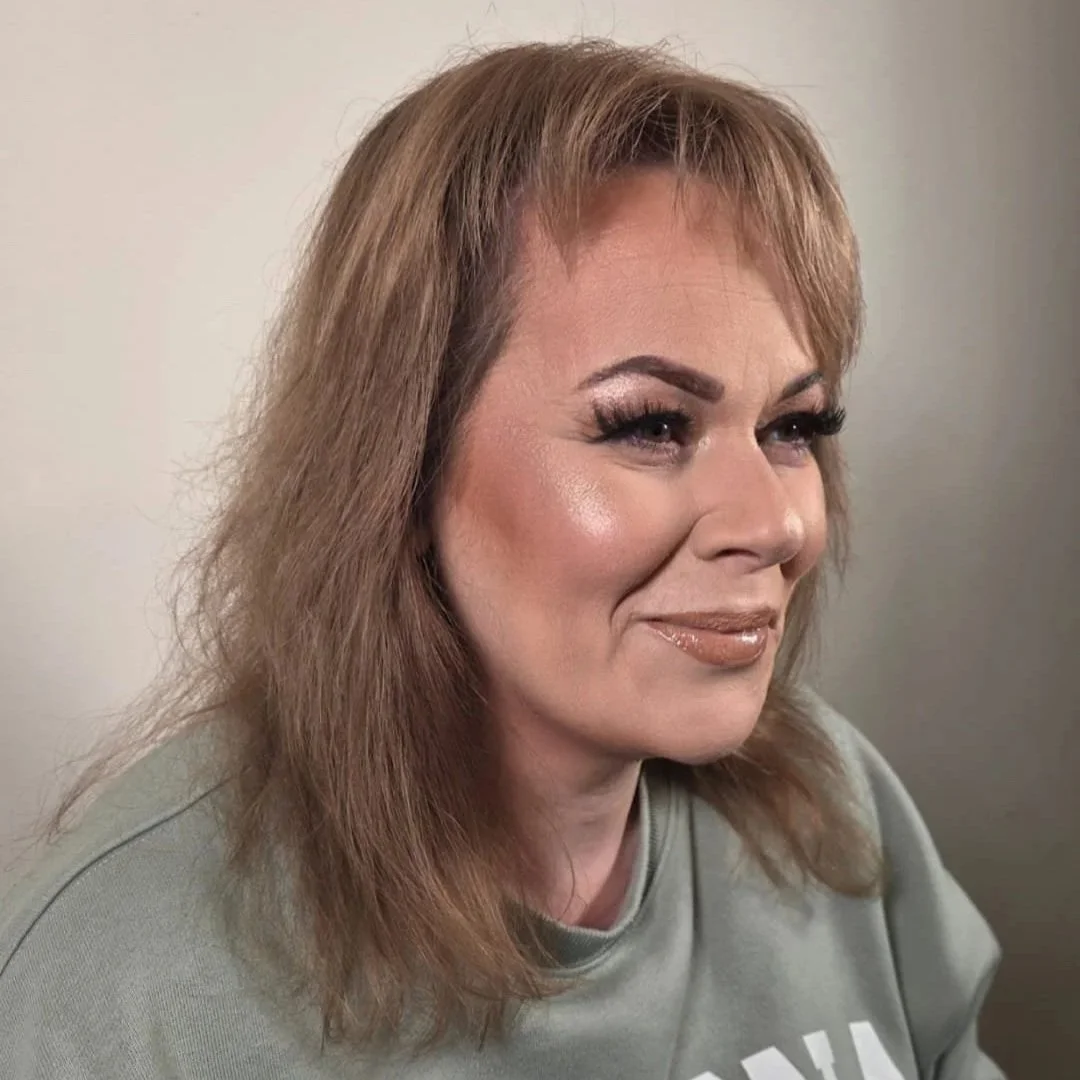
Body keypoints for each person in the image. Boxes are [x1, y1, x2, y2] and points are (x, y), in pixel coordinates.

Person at [0, 40, 1004, 1080]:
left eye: (795, 426)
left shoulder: (833, 803)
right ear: (400, 459)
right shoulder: (112, 987)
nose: (776, 521)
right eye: (651, 425)